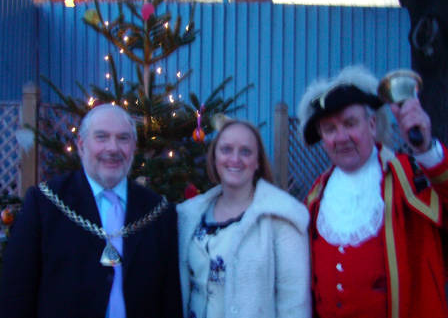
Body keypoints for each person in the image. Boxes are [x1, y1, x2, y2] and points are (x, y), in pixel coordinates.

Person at [0, 104, 182, 318]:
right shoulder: (44, 204)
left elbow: (169, 299)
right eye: (102, 137)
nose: (113, 148)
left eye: (123, 138)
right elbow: (16, 293)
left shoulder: (158, 211)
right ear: (81, 145)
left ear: (133, 147)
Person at [297, 65, 448, 318]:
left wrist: (427, 151)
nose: (341, 137)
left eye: (350, 123)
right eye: (330, 129)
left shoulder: (409, 176)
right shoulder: (315, 196)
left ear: (371, 124)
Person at [177, 120, 312, 318]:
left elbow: (294, 305)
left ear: (258, 161)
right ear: (215, 157)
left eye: (246, 151)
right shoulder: (189, 216)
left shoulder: (281, 218)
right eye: (226, 149)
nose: (235, 158)